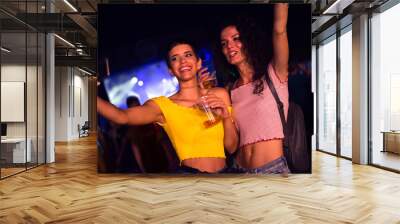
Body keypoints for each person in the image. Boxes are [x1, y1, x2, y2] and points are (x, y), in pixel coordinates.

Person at [97, 40, 238, 173]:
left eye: (188, 55)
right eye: (175, 58)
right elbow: (121, 117)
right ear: (171, 70)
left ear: (199, 62)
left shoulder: (219, 95)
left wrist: (225, 117)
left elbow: (231, 148)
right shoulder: (163, 106)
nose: (183, 61)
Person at [201, 3, 290, 174]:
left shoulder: (274, 73)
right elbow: (231, 146)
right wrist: (205, 95)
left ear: (248, 40)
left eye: (236, 39)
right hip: (238, 170)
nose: (230, 46)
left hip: (272, 170)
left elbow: (280, 31)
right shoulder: (230, 90)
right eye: (224, 43)